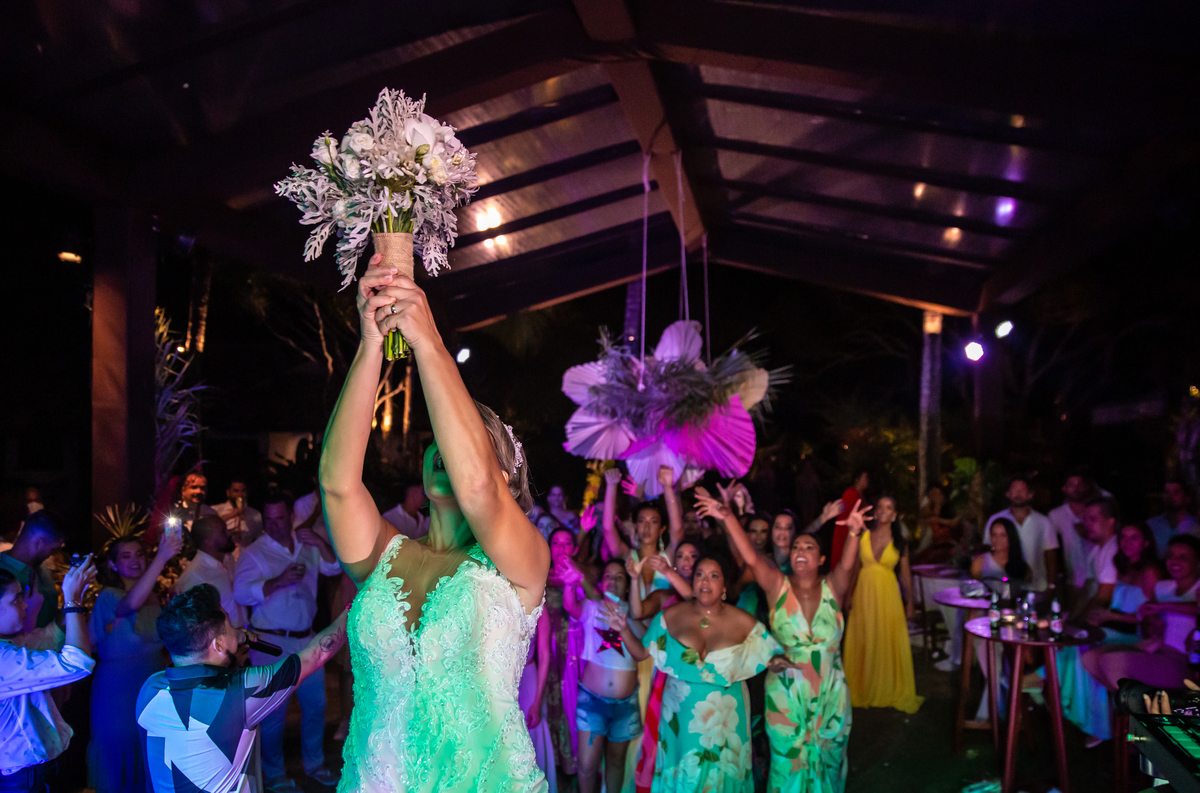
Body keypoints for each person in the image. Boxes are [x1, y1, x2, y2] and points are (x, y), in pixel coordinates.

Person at [319, 256, 550, 792]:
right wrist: (371, 342)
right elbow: (337, 485)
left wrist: (429, 343)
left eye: (466, 445)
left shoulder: (523, 562)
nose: (447, 451)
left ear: (507, 482)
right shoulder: (386, 554)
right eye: (440, 443)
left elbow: (478, 489)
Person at [698, 490, 864, 792]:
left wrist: (853, 532)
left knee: (830, 759)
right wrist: (728, 517)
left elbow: (848, 567)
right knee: (787, 764)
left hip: (830, 691)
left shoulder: (833, 587)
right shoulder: (777, 586)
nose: (800, 550)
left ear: (821, 558)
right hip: (787, 692)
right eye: (797, 546)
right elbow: (750, 556)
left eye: (809, 546)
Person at [137, 584, 348, 793]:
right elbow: (315, 655)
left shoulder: (149, 689)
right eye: (230, 622)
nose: (236, 627)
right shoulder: (241, 691)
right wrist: (352, 610)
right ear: (218, 645)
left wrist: (229, 642)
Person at [611, 554, 782, 793]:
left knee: (721, 778)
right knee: (683, 777)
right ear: (692, 583)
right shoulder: (671, 616)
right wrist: (623, 629)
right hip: (681, 719)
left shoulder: (743, 621)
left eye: (714, 576)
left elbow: (771, 655)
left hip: (725, 723)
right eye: (699, 574)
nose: (705, 581)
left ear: (724, 587)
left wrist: (784, 662)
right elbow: (641, 652)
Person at [233, 494, 343, 792]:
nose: (275, 525)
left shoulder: (306, 543)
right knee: (272, 713)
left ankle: (315, 765)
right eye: (269, 520)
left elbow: (334, 569)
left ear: (289, 516)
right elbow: (241, 593)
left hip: (306, 638)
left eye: (280, 518)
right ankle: (275, 775)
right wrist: (278, 581)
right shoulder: (255, 553)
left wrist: (321, 543)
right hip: (270, 642)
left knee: (316, 706)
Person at [88, 531, 183, 793]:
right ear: (113, 564)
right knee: (121, 751)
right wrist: (162, 557)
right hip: (117, 689)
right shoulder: (109, 596)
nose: (134, 561)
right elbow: (129, 605)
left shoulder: (155, 598)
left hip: (151, 679)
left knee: (151, 749)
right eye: (126, 556)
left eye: (140, 554)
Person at [0, 559, 98, 792]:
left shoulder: (8, 647)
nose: (26, 606)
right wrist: (73, 603)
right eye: (17, 599)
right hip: (22, 779)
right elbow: (78, 663)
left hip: (28, 774)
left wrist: (74, 601)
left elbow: (46, 639)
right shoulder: (4, 660)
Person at [560, 559, 639, 793]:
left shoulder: (635, 614)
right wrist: (569, 585)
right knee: (586, 765)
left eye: (619, 577)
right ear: (601, 582)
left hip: (626, 706)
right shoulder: (593, 607)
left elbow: (644, 650)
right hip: (592, 702)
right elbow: (571, 606)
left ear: (626, 584)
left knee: (615, 763)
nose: (612, 581)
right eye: (608, 576)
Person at [1083, 535, 1200, 693]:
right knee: (1089, 659)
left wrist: (1162, 607)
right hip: (1155, 650)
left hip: (1181, 661)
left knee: (1112, 662)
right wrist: (1153, 624)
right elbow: (1147, 619)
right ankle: (1130, 708)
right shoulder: (1163, 587)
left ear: (1197, 563)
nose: (1175, 561)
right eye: (1171, 556)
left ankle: (1138, 709)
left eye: (1183, 557)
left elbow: (1195, 607)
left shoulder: (1197, 590)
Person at [843, 496, 923, 713]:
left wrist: (910, 602)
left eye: (889, 507)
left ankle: (886, 687)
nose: (883, 510)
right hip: (864, 594)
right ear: (875, 511)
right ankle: (863, 686)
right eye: (880, 506)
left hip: (888, 594)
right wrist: (848, 594)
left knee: (884, 636)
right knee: (865, 635)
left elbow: (906, 573)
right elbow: (854, 568)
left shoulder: (900, 542)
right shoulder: (864, 536)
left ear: (894, 514)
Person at [985, 474, 1058, 592]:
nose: (1018, 493)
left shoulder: (1044, 522)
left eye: (1022, 490)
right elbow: (988, 551)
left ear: (1030, 494)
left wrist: (1051, 586)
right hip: (1002, 589)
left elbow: (1051, 556)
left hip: (1036, 589)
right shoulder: (995, 520)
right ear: (1008, 494)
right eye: (1014, 490)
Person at [176, 514, 246, 628]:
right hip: (223, 642)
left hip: (244, 636)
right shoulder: (194, 576)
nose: (229, 534)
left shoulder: (229, 560)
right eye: (223, 531)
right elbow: (195, 624)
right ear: (207, 541)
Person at [0, 512, 65, 629]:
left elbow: (52, 618)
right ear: (39, 542)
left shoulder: (43, 569)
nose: (53, 554)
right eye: (53, 549)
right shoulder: (3, 571)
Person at [520, 608, 558, 793]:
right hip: (502, 681)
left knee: (532, 736)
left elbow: (544, 655)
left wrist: (537, 701)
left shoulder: (540, 607)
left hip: (528, 678)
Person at [1047, 469, 1097, 603]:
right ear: (1064, 489)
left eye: (1079, 485)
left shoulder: (1096, 511)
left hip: (1099, 577)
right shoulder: (1056, 515)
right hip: (1073, 580)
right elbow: (1053, 549)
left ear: (1086, 487)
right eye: (1072, 485)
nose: (1076, 489)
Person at [1147, 479, 1200, 557]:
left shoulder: (1197, 524)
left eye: (1176, 492)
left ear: (1187, 498)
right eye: (1167, 492)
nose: (1170, 496)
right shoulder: (1151, 525)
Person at [828, 471, 869, 569]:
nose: (867, 480)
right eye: (864, 478)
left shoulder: (861, 495)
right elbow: (844, 516)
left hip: (854, 533)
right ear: (857, 479)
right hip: (845, 534)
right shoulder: (850, 493)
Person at [971, 517, 1029, 581]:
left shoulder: (1022, 567)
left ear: (1010, 537)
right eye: (994, 535)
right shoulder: (979, 563)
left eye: (1003, 535)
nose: (998, 539)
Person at [214, 479, 264, 552]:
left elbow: (259, 539)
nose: (240, 495)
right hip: (225, 557)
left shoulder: (255, 514)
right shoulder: (217, 510)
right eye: (236, 491)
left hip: (247, 557)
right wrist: (232, 514)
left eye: (243, 491)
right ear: (228, 493)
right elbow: (211, 528)